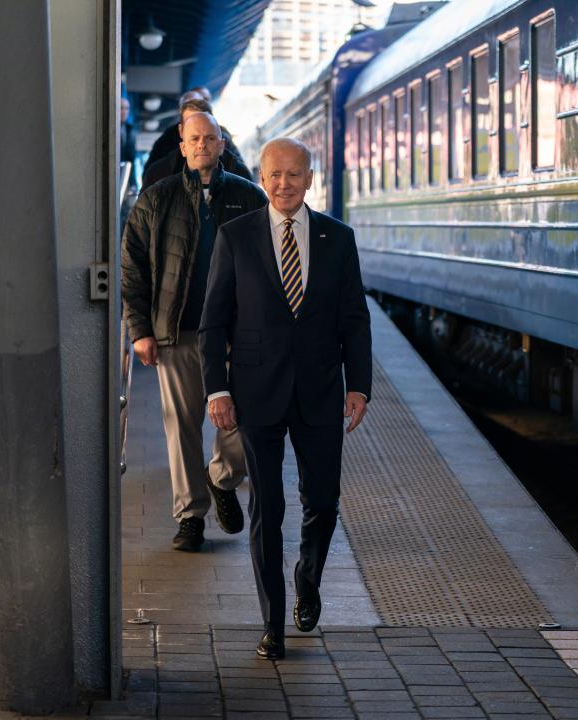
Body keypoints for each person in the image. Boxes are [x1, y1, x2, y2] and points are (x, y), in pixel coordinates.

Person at [198, 138, 372, 660]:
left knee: (322, 503)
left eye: (294, 174)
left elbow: (354, 320)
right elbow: (213, 322)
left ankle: (308, 579)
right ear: (261, 176)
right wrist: (217, 389)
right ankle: (273, 622)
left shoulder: (337, 239)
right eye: (274, 175)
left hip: (320, 392)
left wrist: (359, 385)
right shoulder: (236, 236)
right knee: (266, 509)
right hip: (255, 393)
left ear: (310, 178)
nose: (283, 184)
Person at [121, 112, 268, 552]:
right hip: (178, 331)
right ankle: (190, 518)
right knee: (180, 426)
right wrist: (140, 330)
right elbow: (132, 269)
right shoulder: (155, 199)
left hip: (236, 334)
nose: (202, 145)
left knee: (243, 418)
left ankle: (222, 477)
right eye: (193, 139)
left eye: (210, 138)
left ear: (222, 145)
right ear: (181, 147)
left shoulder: (249, 197)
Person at [142, 98, 252, 189]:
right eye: (191, 123)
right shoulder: (158, 174)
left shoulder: (239, 172)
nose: (201, 144)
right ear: (181, 130)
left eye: (204, 122)